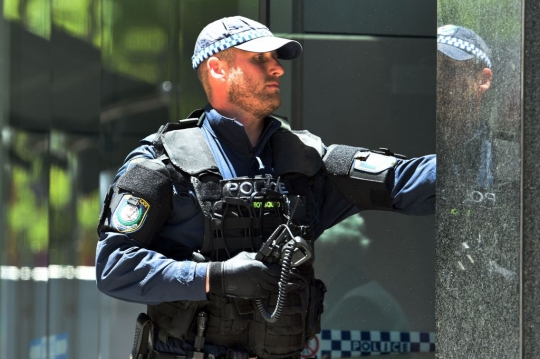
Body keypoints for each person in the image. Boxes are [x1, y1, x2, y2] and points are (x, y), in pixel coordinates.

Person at [95, 15, 436, 359]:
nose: (278, 70)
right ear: (217, 69)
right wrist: (216, 277)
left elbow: (407, 180)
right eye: (260, 59)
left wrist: (481, 165)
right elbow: (114, 267)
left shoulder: (306, 162)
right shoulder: (162, 161)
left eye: (276, 59)